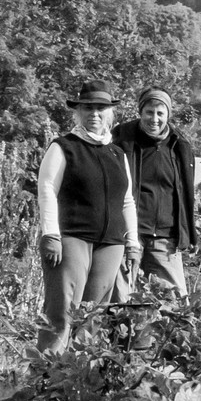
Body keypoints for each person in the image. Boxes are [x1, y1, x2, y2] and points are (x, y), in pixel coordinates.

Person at [35, 81, 141, 352]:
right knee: (62, 312)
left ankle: (81, 382)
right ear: (78, 112)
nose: (94, 114)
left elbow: (127, 200)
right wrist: (50, 234)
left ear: (110, 113)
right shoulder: (63, 147)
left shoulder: (117, 153)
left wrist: (133, 242)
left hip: (111, 243)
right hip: (71, 238)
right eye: (88, 108)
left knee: (93, 315)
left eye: (100, 108)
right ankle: (44, 380)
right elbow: (47, 188)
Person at [113, 86, 196, 298]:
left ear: (168, 114)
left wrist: (188, 234)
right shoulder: (122, 139)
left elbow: (185, 193)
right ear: (140, 112)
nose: (154, 119)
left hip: (165, 238)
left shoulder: (179, 146)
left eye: (160, 113)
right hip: (128, 234)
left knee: (175, 303)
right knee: (121, 302)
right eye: (149, 112)